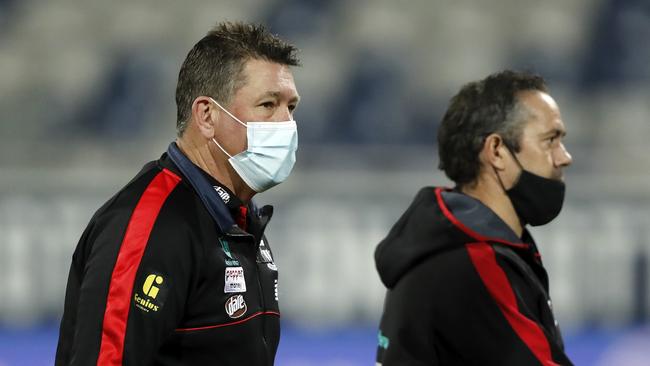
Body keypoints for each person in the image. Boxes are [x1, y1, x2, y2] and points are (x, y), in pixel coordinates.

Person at [55, 21, 300, 365]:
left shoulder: (238, 219)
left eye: (291, 107)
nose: (286, 124)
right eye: (267, 105)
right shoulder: (154, 224)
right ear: (206, 115)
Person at [374, 70, 574, 365]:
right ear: (496, 151)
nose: (564, 156)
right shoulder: (475, 262)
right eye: (550, 140)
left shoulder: (443, 245)